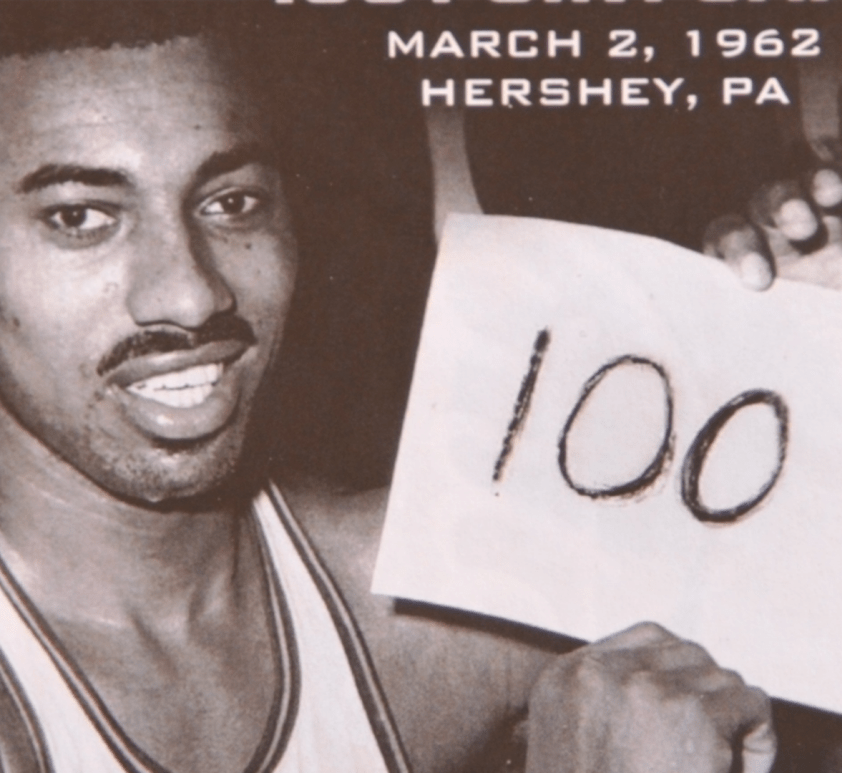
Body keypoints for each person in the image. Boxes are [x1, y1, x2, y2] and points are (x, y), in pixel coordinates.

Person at [0, 3, 780, 772]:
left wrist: (802, 334)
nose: (191, 294)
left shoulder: (447, 587)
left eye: (231, 202)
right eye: (78, 217)